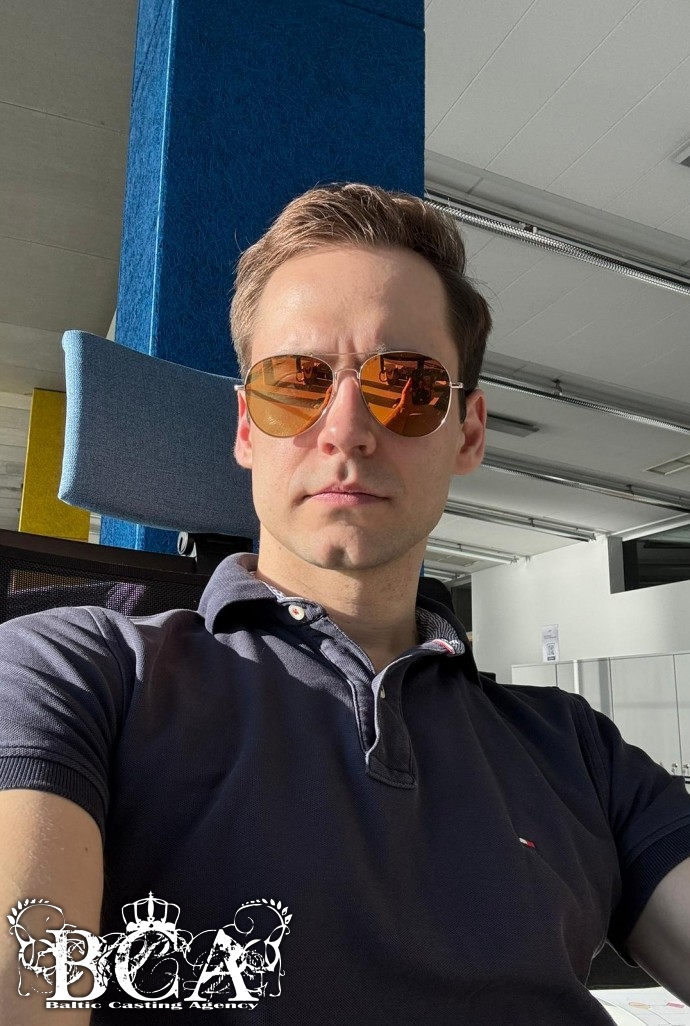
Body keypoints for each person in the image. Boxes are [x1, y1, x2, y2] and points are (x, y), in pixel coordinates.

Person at [1, 183, 689, 1024]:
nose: (347, 429)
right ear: (247, 427)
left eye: (407, 385)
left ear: (469, 431)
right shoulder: (74, 673)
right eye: (296, 383)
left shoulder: (579, 749)